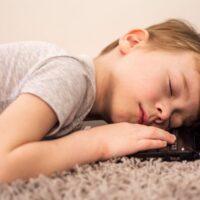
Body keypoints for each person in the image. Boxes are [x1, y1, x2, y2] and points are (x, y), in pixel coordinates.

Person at [0, 18, 199, 183]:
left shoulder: (82, 104)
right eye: (171, 87)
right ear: (133, 42)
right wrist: (98, 142)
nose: (164, 113)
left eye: (174, 120)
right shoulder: (70, 75)